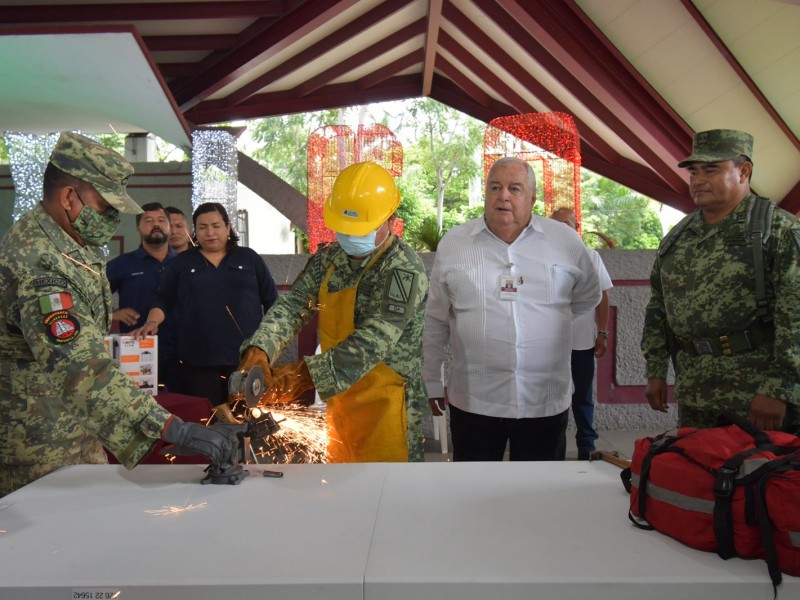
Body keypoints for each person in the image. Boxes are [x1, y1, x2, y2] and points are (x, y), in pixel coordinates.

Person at [0, 132, 239, 497]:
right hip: (39, 449)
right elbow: (82, 370)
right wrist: (172, 428)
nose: (113, 218)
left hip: (76, 432)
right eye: (106, 206)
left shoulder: (67, 244)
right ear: (68, 198)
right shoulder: (39, 264)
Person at [237, 161, 430, 462]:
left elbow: (373, 341)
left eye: (361, 229)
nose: (351, 237)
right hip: (341, 400)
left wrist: (300, 376)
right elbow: (294, 305)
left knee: (391, 499)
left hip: (389, 407)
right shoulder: (329, 258)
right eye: (344, 228)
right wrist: (261, 347)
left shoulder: (402, 270)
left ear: (390, 220)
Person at [423, 157, 601, 461]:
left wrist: (545, 324)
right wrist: (431, 381)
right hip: (475, 401)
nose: (503, 196)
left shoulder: (565, 241)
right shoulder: (455, 244)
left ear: (532, 198)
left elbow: (586, 298)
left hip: (543, 400)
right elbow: (436, 318)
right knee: (473, 494)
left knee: (538, 497)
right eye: (495, 187)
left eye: (514, 188)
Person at [642, 129, 800, 433]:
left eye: (711, 169)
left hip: (757, 395)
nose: (698, 179)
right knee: (697, 473)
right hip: (696, 392)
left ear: (743, 172)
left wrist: (780, 387)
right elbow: (658, 308)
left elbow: (795, 316)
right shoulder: (678, 237)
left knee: (760, 477)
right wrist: (656, 370)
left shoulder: (778, 230)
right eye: (693, 171)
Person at [134, 202, 278, 405]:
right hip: (197, 361)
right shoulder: (181, 263)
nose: (210, 232)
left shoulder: (249, 258)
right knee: (207, 420)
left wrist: (271, 344)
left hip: (247, 358)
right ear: (195, 231)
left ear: (228, 227)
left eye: (216, 226)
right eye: (202, 227)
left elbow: (272, 301)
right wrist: (151, 323)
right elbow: (163, 300)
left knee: (246, 420)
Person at [550, 207, 613, 459]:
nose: (563, 229)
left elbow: (603, 296)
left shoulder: (590, 257)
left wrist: (604, 332)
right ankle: (553, 448)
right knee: (553, 398)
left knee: (583, 397)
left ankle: (587, 445)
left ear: (576, 227)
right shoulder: (539, 257)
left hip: (582, 342)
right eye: (557, 225)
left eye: (568, 224)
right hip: (548, 344)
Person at [106, 202, 179, 390]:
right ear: (138, 228)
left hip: (181, 352)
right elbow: (90, 295)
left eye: (161, 220)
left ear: (170, 227)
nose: (156, 225)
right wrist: (112, 314)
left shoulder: (183, 264)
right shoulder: (123, 264)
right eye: (149, 221)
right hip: (137, 351)